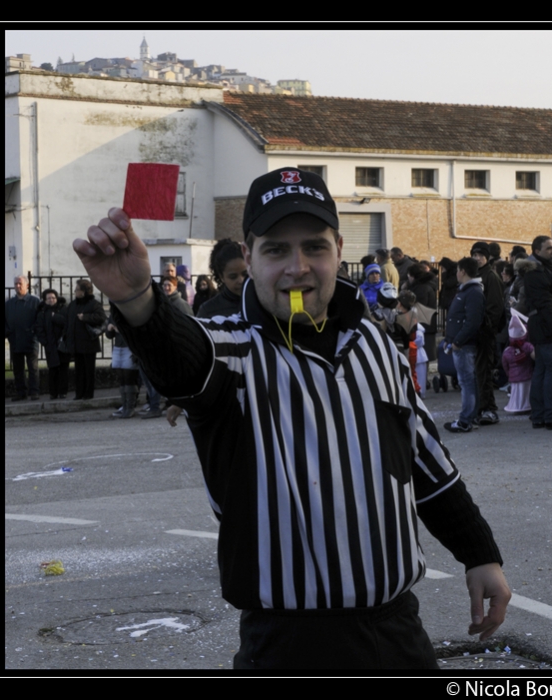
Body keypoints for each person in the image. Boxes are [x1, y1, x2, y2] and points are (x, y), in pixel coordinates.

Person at [74, 166, 510, 670]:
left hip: (398, 633)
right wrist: (137, 301)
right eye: (276, 249)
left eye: (314, 247)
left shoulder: (375, 344)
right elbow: (183, 358)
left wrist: (480, 553)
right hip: (288, 644)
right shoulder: (233, 349)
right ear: (249, 256)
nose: (297, 266)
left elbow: (426, 464)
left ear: (339, 249)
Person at [523, 236, 552, 430]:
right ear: (536, 251)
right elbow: (546, 303)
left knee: (542, 370)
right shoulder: (536, 272)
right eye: (549, 248)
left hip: (542, 326)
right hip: (546, 326)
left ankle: (540, 415)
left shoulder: (547, 269)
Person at [443, 258, 485, 433]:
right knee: (468, 381)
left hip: (464, 346)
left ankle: (466, 420)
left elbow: (473, 321)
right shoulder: (466, 291)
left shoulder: (473, 292)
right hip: (461, 344)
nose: (456, 273)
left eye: (458, 270)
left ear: (463, 271)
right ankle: (471, 417)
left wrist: (458, 341)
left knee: (466, 382)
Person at [470, 242, 504, 426]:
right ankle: (480, 407)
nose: (476, 258)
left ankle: (488, 409)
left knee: (484, 372)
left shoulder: (490, 277)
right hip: (475, 333)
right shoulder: (475, 275)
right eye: (474, 255)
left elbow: (495, 307)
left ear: (487, 257)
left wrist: (486, 328)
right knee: (477, 372)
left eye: (480, 255)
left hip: (485, 333)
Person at [65, 278, 106, 400]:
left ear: (83, 291)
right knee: (79, 370)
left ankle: (88, 394)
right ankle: (79, 393)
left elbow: (101, 317)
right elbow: (68, 321)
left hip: (88, 343)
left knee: (88, 370)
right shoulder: (73, 304)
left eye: (77, 289)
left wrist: (86, 317)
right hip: (76, 343)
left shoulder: (94, 304)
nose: (75, 291)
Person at [5, 276, 40, 401]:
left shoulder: (35, 302)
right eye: (15, 284)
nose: (17, 286)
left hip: (31, 340)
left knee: (33, 368)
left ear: (27, 285)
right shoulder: (8, 304)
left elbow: (40, 320)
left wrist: (33, 332)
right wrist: (8, 332)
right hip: (15, 340)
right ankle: (21, 392)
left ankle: (34, 392)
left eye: (20, 283)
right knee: (18, 368)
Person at [196, 239, 248, 318]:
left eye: (245, 274)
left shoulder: (265, 301)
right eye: (233, 277)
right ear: (222, 277)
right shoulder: (208, 311)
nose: (241, 280)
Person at [35, 289, 70, 399]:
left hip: (62, 344)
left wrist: (55, 317)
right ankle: (53, 393)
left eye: (53, 298)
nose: (51, 300)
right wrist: (44, 342)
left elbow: (67, 323)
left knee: (64, 368)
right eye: (48, 298)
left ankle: (63, 392)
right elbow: (39, 329)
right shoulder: (42, 313)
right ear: (45, 300)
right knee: (53, 369)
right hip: (50, 345)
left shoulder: (63, 309)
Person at [502, 313, 535, 414]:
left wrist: (509, 374)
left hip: (514, 378)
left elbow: (505, 365)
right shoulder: (528, 346)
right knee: (526, 392)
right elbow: (534, 357)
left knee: (516, 394)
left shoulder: (507, 351)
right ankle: (527, 405)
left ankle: (516, 406)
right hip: (527, 375)